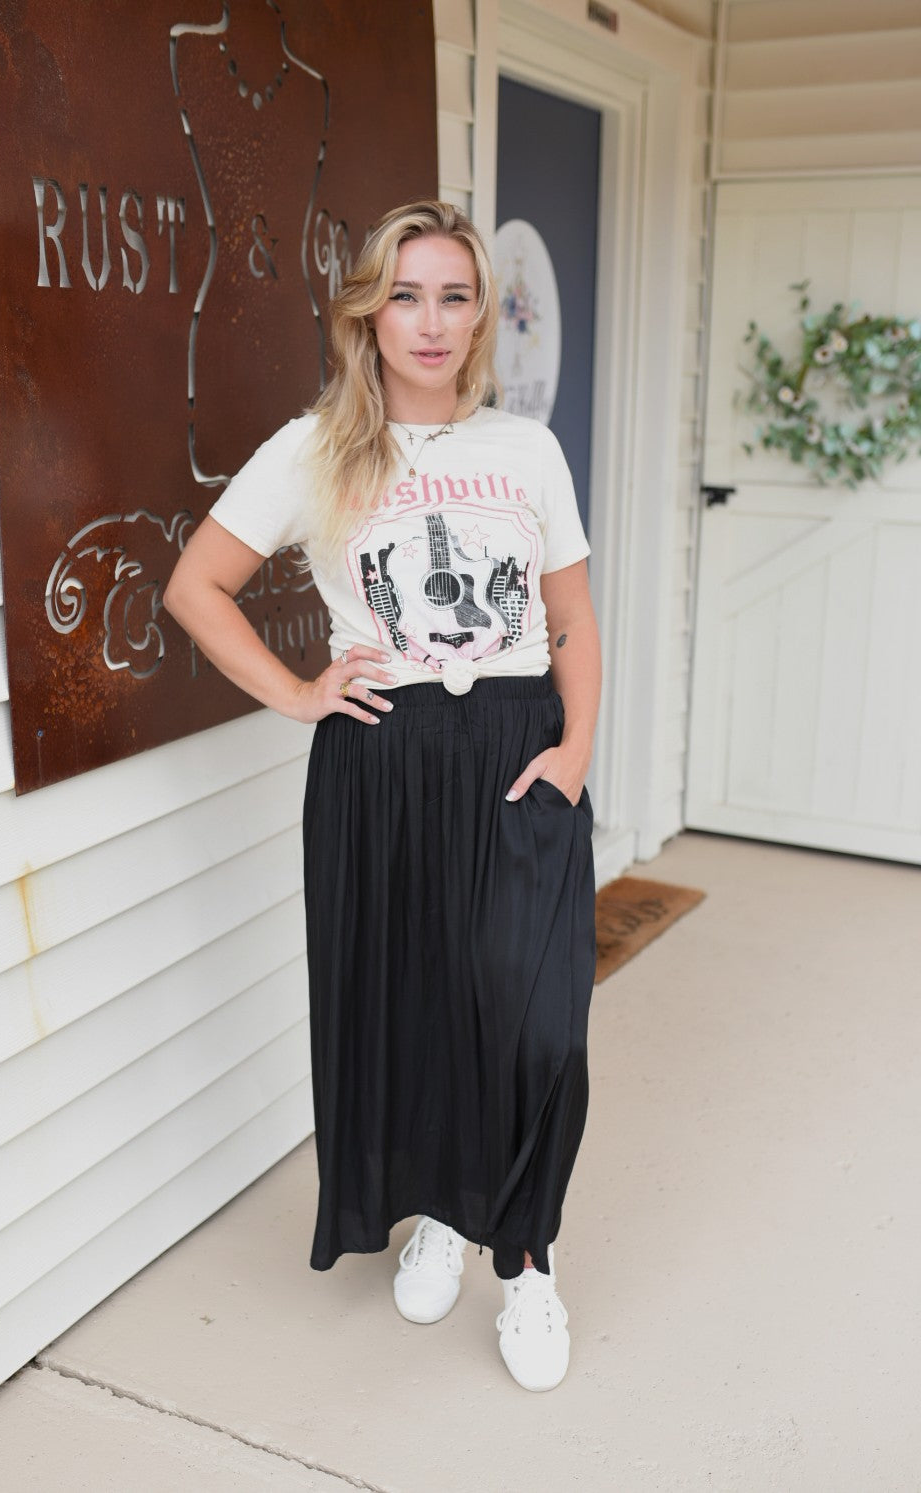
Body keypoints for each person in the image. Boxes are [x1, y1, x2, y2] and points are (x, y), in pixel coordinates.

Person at [164, 200, 601, 1392]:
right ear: (367, 312)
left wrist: (575, 751)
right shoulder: (313, 449)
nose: (431, 320)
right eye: (405, 295)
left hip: (518, 747)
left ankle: (528, 1260)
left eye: (454, 295)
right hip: (385, 756)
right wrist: (297, 692)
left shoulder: (527, 451)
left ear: (479, 316)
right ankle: (445, 1214)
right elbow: (197, 587)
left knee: (539, 1022)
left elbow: (569, 616)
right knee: (416, 1002)